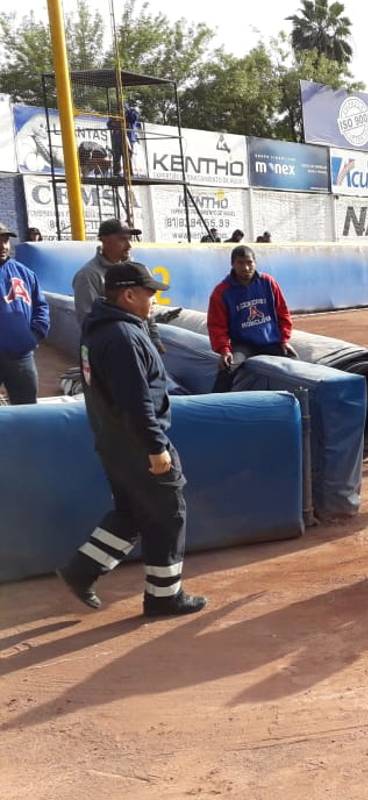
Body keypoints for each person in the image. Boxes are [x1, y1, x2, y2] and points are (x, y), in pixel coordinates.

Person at [56, 263, 207, 617]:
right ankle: (164, 597)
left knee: (133, 512)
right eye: (149, 293)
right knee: (169, 514)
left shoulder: (101, 329)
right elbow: (136, 401)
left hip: (114, 442)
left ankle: (82, 570)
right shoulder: (122, 337)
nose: (154, 300)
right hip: (138, 445)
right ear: (128, 295)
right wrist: (155, 448)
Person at [206, 245, 296, 392]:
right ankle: (215, 402)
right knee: (227, 368)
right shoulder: (221, 292)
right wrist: (224, 350)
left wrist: (284, 340)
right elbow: (216, 326)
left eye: (249, 262)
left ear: (255, 262)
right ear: (232, 264)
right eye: (240, 263)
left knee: (296, 366)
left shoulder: (268, 283)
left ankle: (303, 402)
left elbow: (283, 313)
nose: (246, 268)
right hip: (242, 345)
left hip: (270, 342)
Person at [72, 218, 166, 354]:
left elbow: (147, 310)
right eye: (122, 239)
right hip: (114, 351)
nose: (129, 245)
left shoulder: (134, 269)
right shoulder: (88, 275)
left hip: (139, 344)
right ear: (104, 240)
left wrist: (154, 338)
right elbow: (89, 321)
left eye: (129, 239)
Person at [1, 223, 49, 405]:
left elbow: (41, 307)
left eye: (5, 240)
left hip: (21, 356)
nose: (3, 246)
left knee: (27, 408)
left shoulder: (25, 273)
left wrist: (34, 336)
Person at [106, 102, 140, 178]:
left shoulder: (131, 114)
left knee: (127, 156)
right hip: (117, 139)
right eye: (119, 108)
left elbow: (134, 118)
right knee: (116, 156)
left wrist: (129, 111)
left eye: (122, 108)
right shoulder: (115, 116)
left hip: (128, 139)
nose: (120, 110)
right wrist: (115, 122)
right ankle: (116, 173)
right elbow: (109, 124)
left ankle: (128, 174)